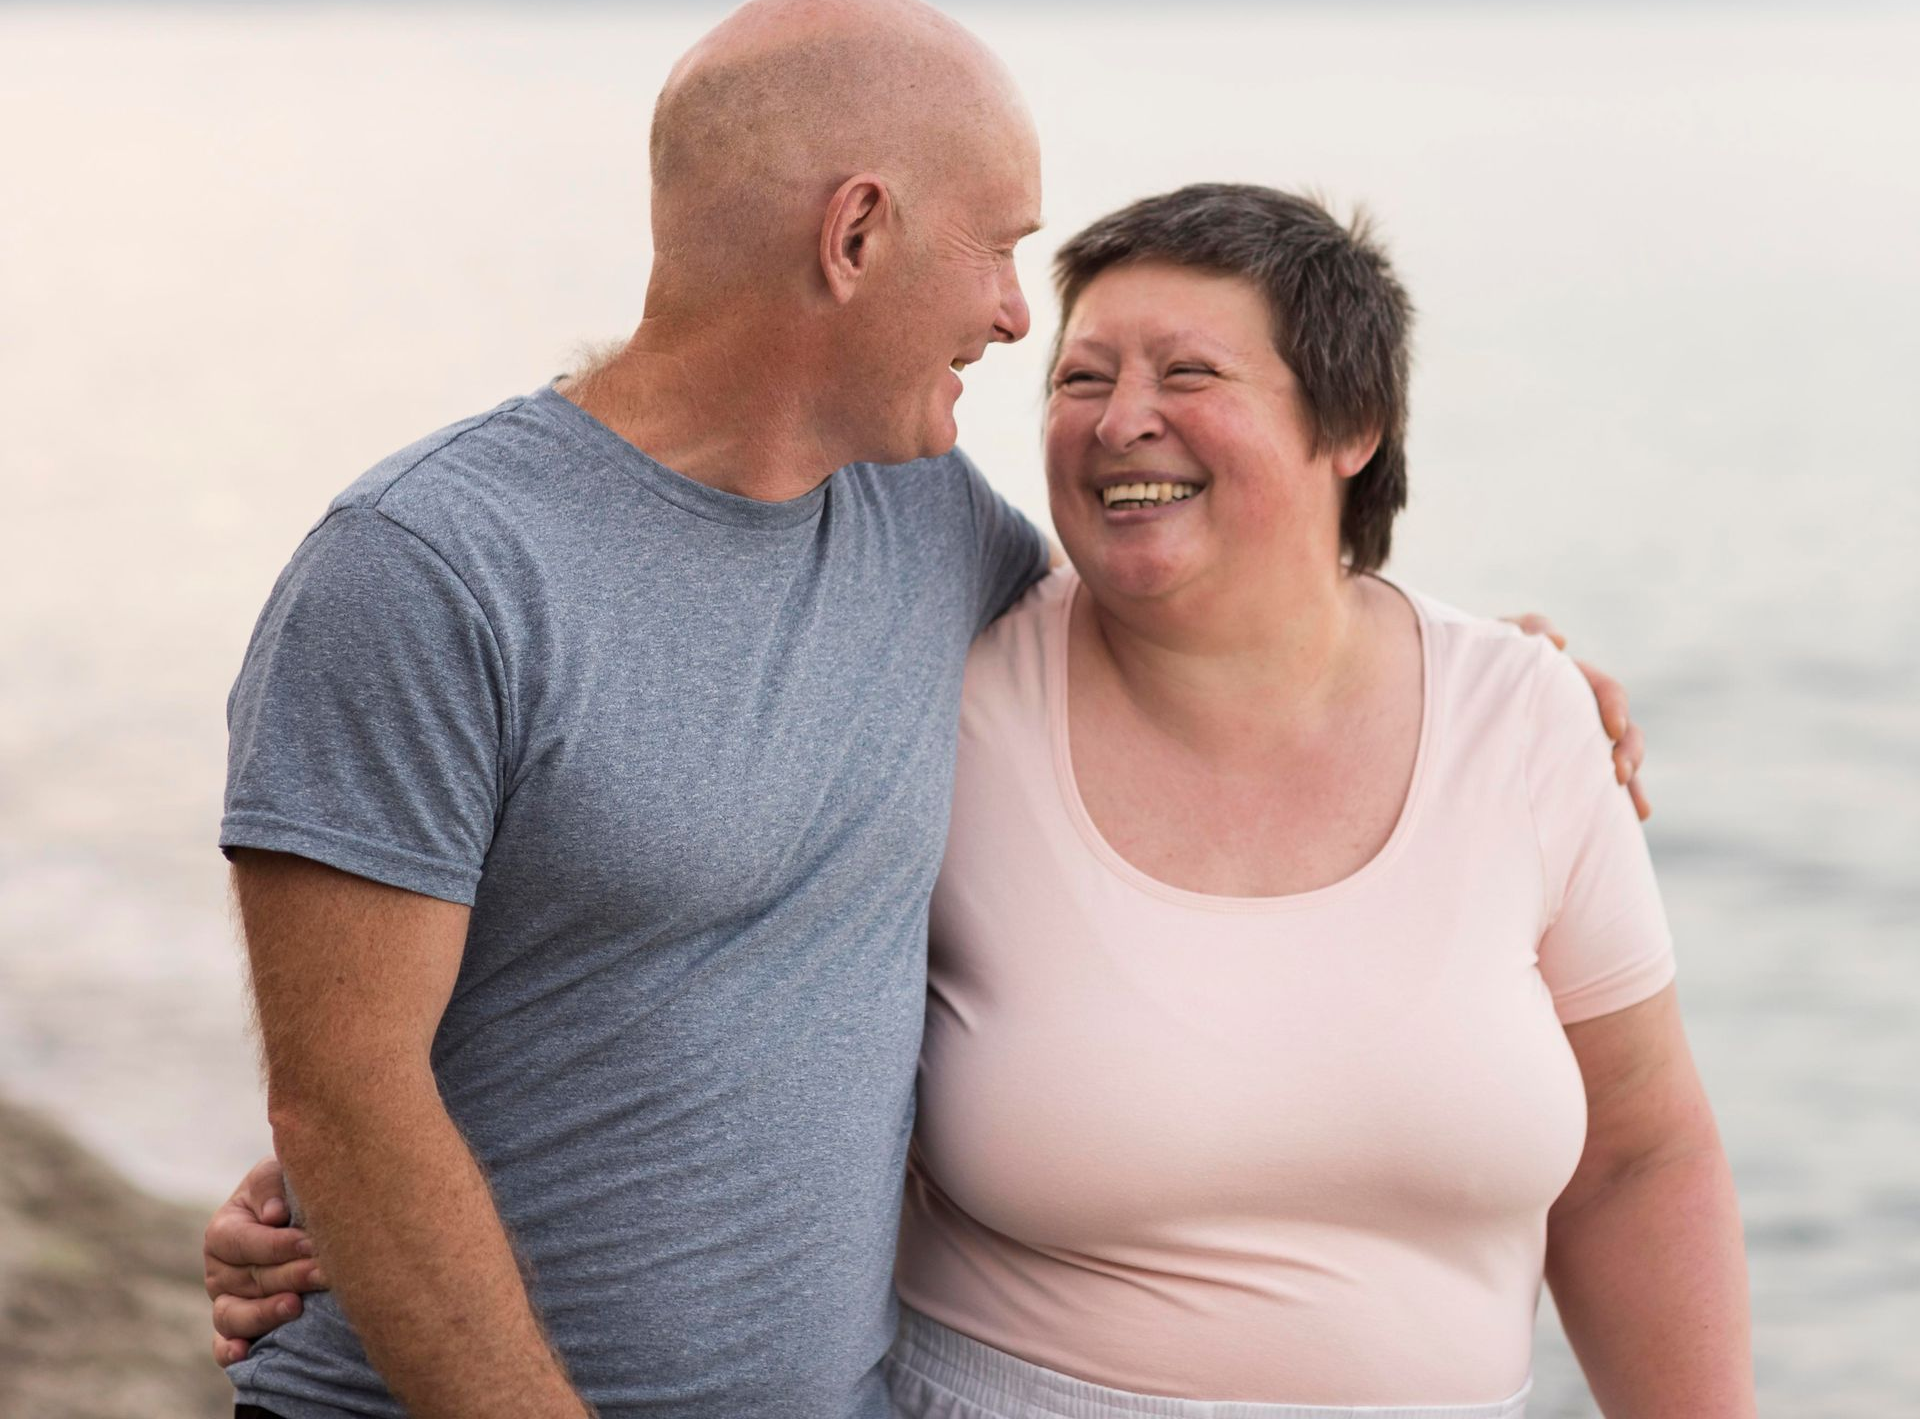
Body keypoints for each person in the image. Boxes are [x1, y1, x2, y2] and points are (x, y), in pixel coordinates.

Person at [199, 11, 1652, 1419]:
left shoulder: (924, 523)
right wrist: (326, 1175)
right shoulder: (426, 567)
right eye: (1002, 245)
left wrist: (1481, 675)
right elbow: (345, 1098)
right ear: (856, 235)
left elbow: (1192, 612)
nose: (1019, 314)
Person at [882, 186, 1752, 1416]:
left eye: (1189, 373)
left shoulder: (1523, 718)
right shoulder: (942, 703)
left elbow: (1635, 1160)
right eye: (1082, 381)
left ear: (1354, 425)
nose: (1122, 420)